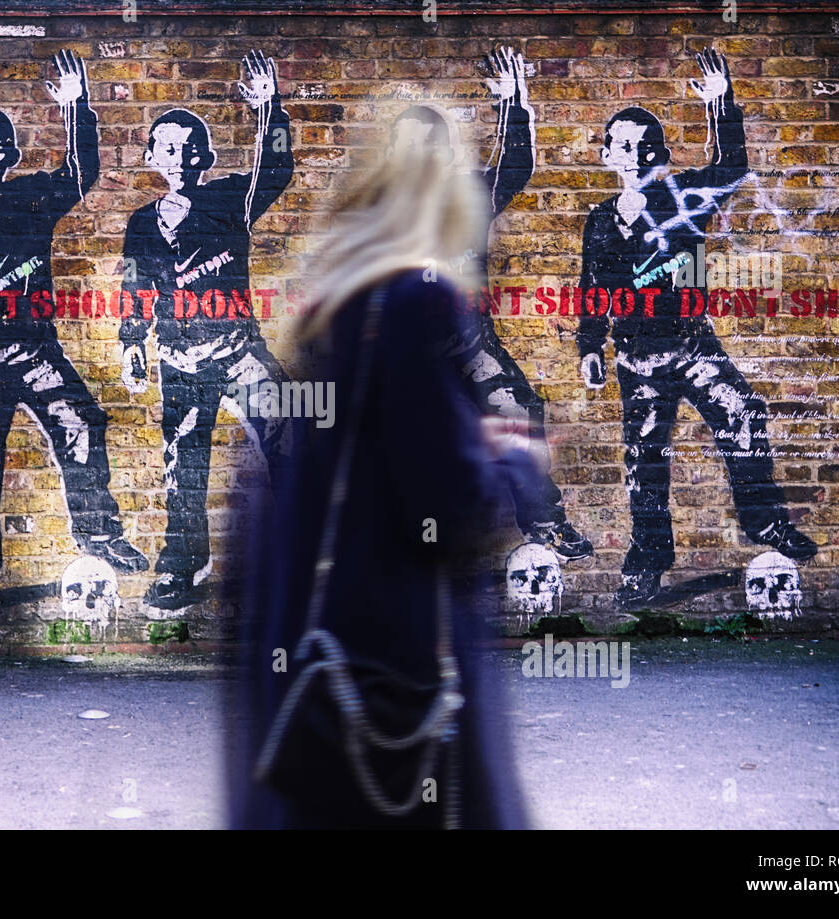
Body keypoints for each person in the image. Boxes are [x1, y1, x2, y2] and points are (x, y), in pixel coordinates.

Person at [230, 140, 537, 829]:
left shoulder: (333, 308)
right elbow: (451, 502)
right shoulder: (416, 302)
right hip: (395, 665)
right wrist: (513, 463)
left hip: (329, 651)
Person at [575, 48, 816, 607]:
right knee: (644, 460)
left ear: (656, 151)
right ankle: (649, 557)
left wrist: (721, 103)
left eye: (642, 145)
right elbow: (593, 289)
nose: (631, 154)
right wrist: (590, 346)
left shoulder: (684, 197)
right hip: (637, 360)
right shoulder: (599, 221)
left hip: (693, 346)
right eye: (621, 145)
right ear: (608, 154)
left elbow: (732, 165)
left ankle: (766, 524)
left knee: (742, 411)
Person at [0, 50, 146, 615]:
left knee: (82, 422)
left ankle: (99, 535)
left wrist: (77, 106)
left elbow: (80, 171)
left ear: (10, 153)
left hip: (35, 352)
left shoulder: (32, 199)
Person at [387, 46, 592, 561]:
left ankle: (546, 522)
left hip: (473, 343)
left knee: (518, 415)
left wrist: (513, 103)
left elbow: (515, 167)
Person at [119, 50, 294, 612]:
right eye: (167, 147)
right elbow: (135, 289)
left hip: (239, 350)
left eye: (190, 147)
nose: (179, 156)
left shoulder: (228, 200)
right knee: (182, 465)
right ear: (151, 156)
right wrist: (131, 345)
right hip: (179, 359)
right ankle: (182, 561)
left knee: (289, 429)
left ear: (206, 156)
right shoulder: (142, 223)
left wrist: (270, 109)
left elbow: (276, 169)